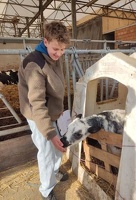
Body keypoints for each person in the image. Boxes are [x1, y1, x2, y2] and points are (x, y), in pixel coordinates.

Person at [18, 21, 70, 200]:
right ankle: (46, 190)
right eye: (56, 49)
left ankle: (55, 172)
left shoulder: (54, 57)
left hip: (51, 111)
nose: (59, 53)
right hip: (38, 114)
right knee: (47, 151)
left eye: (63, 50)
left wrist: (59, 109)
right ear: (45, 41)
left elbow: (56, 86)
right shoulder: (35, 65)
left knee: (57, 147)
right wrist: (49, 132)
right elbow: (37, 103)